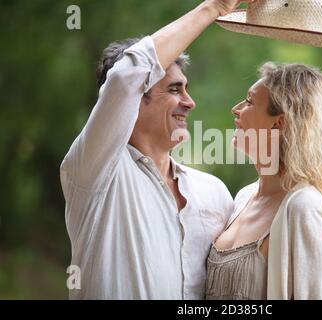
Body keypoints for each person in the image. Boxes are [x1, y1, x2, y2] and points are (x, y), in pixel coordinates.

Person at [60, 0, 255, 299]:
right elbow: (126, 76)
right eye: (174, 89)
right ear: (135, 98)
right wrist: (214, 6)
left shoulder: (213, 191)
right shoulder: (95, 171)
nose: (190, 103)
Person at [206, 62, 322, 300]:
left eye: (249, 101)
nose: (236, 109)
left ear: (278, 123)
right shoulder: (244, 197)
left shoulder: (304, 207)